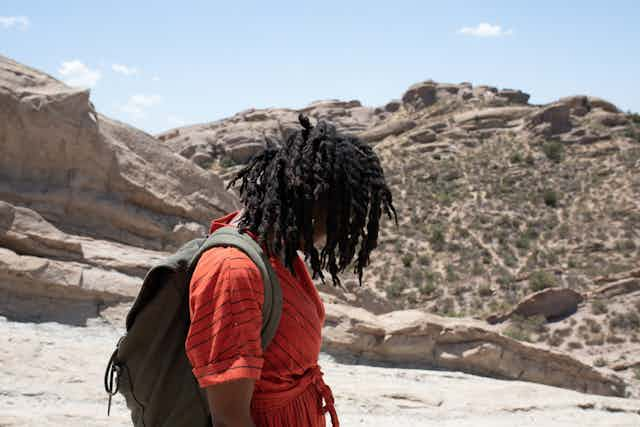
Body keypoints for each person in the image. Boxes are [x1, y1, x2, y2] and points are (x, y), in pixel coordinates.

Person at [185, 114, 398, 427]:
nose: (342, 229)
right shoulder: (235, 269)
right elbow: (229, 418)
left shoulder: (278, 251)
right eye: (341, 214)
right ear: (314, 200)